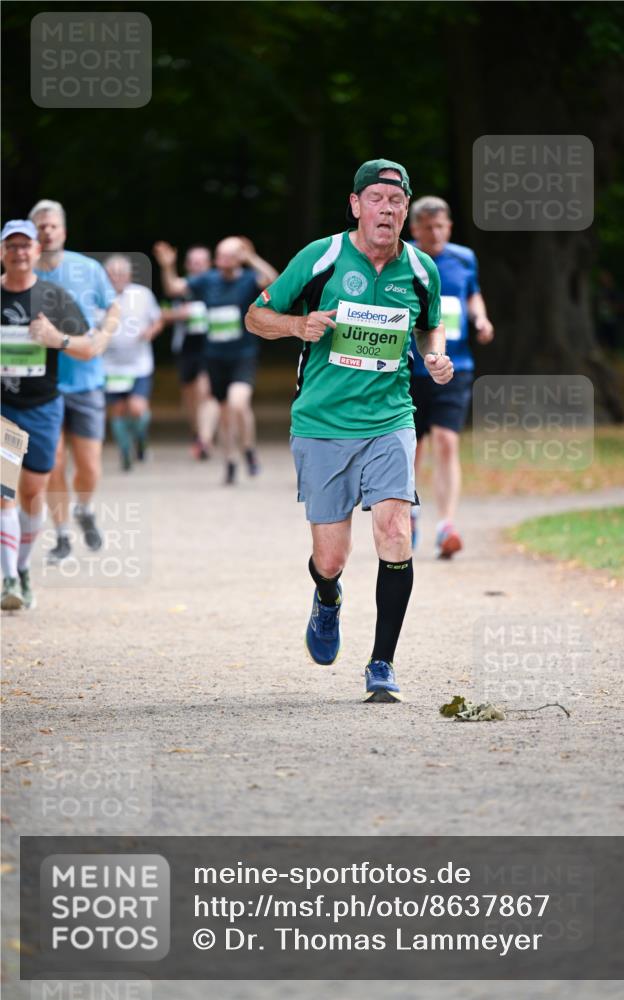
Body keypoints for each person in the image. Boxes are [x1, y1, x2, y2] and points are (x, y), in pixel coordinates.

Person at [245, 159, 453, 703]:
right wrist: (297, 324)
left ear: (406, 211)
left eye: (397, 201)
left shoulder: (422, 269)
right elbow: (255, 316)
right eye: (377, 198)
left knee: (396, 531)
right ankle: (328, 596)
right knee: (331, 557)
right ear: (356, 204)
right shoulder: (323, 256)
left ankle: (381, 663)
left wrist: (435, 357)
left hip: (390, 419)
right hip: (321, 424)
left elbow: (432, 326)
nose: (388, 208)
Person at [1, 220, 109, 609]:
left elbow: (90, 347)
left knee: (33, 493)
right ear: (2, 252)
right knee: (4, 493)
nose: (19, 252)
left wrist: (56, 339)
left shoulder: (53, 296)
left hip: (44, 406)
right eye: (11, 246)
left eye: (25, 245)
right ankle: (9, 579)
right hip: (4, 410)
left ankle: (23, 570)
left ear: (35, 251)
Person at [30, 199, 118, 563]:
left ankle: (83, 509)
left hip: (86, 381)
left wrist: (105, 335)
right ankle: (62, 535)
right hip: (43, 385)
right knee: (52, 461)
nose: (47, 231)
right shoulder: (22, 272)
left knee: (89, 467)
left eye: (53, 225)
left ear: (63, 230)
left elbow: (114, 308)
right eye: (41, 226)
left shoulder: (88, 269)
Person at [408, 196, 494, 558]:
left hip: (455, 365)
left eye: (441, 226)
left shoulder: (464, 258)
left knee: (446, 441)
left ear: (449, 226)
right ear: (415, 229)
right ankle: (408, 513)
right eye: (428, 227)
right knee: (411, 448)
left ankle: (446, 526)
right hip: (411, 368)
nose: (435, 233)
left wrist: (481, 318)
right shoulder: (404, 258)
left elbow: (473, 294)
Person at [153, 236, 278, 484]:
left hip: (243, 354)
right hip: (214, 357)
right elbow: (173, 288)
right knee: (224, 411)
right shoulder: (207, 280)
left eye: (228, 255)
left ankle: (249, 448)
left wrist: (252, 258)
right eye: (219, 255)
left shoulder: (248, 279)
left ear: (239, 257)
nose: (221, 260)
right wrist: (167, 265)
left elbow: (274, 281)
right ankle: (230, 461)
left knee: (238, 403)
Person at [102, 255, 163, 470]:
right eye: (113, 273)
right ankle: (125, 452)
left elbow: (158, 319)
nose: (117, 277)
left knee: (137, 408)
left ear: (129, 275)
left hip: (139, 364)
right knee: (117, 410)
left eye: (121, 273)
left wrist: (150, 332)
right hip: (110, 365)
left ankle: (141, 440)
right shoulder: (98, 297)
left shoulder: (143, 294)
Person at [160, 244, 218, 459]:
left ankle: (205, 439)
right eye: (193, 262)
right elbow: (164, 309)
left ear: (209, 264)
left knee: (206, 391)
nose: (197, 266)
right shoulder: (184, 286)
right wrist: (179, 314)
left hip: (210, 345)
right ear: (187, 265)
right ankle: (197, 433)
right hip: (186, 346)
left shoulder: (216, 283)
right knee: (190, 396)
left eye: (201, 262)